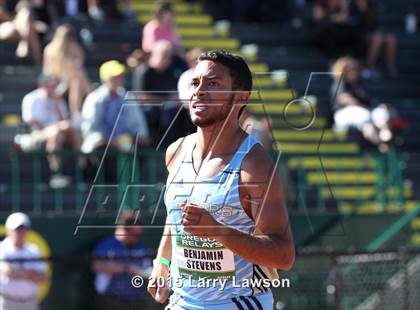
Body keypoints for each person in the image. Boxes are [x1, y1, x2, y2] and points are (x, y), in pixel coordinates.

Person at [147, 50, 295, 309]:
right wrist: (163, 262)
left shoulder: (254, 165)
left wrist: (218, 231)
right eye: (196, 82)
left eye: (213, 83)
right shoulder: (176, 152)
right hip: (181, 302)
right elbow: (176, 219)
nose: (199, 91)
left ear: (240, 98)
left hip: (238, 303)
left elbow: (283, 256)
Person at [19, 73, 81, 186]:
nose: (53, 88)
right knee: (56, 133)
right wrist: (54, 128)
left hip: (59, 132)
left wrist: (57, 104)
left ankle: (79, 172)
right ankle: (56, 173)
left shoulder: (57, 99)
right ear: (42, 85)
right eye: (50, 85)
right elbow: (32, 123)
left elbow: (64, 119)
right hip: (37, 134)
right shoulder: (31, 98)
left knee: (74, 134)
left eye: (54, 85)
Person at [81, 60, 149, 154]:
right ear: (105, 79)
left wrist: (137, 136)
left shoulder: (128, 97)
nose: (118, 79)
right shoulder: (94, 99)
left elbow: (137, 124)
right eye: (114, 77)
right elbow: (89, 128)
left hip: (125, 141)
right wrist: (107, 140)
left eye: (120, 76)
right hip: (100, 144)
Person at [132, 40, 190, 147]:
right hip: (149, 112)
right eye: (163, 55)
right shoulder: (144, 72)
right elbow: (142, 97)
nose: (166, 59)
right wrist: (167, 99)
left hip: (170, 110)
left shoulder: (173, 71)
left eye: (168, 56)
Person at [92, 211, 152, 310]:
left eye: (138, 235)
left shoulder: (141, 247)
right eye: (134, 234)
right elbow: (96, 265)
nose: (137, 238)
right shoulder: (107, 245)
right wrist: (126, 268)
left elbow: (147, 269)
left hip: (137, 300)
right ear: (124, 229)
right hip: (112, 299)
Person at [331, 56, 394, 151]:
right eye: (351, 69)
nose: (355, 71)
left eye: (356, 69)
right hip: (344, 114)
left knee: (379, 113)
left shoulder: (359, 84)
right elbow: (346, 100)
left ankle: (384, 138)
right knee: (364, 116)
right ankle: (381, 143)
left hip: (365, 116)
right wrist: (365, 108)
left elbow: (370, 101)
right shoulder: (340, 83)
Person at [0, 212, 48, 310]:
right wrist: (31, 274)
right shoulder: (2, 248)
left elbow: (43, 277)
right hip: (7, 302)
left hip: (30, 302)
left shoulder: (34, 250)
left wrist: (19, 273)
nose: (20, 232)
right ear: (8, 230)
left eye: (23, 229)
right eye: (17, 229)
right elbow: (8, 272)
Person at [43, 23, 92, 116]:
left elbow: (79, 66)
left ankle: (76, 114)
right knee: (77, 79)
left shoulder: (74, 48)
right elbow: (47, 72)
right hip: (55, 83)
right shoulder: (50, 49)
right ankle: (91, 97)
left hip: (69, 82)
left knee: (76, 81)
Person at [0, 0, 42, 64]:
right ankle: (38, 63)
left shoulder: (15, 2)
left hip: (18, 26)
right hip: (4, 27)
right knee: (29, 28)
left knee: (26, 14)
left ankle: (24, 43)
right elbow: (2, 16)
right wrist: (16, 21)